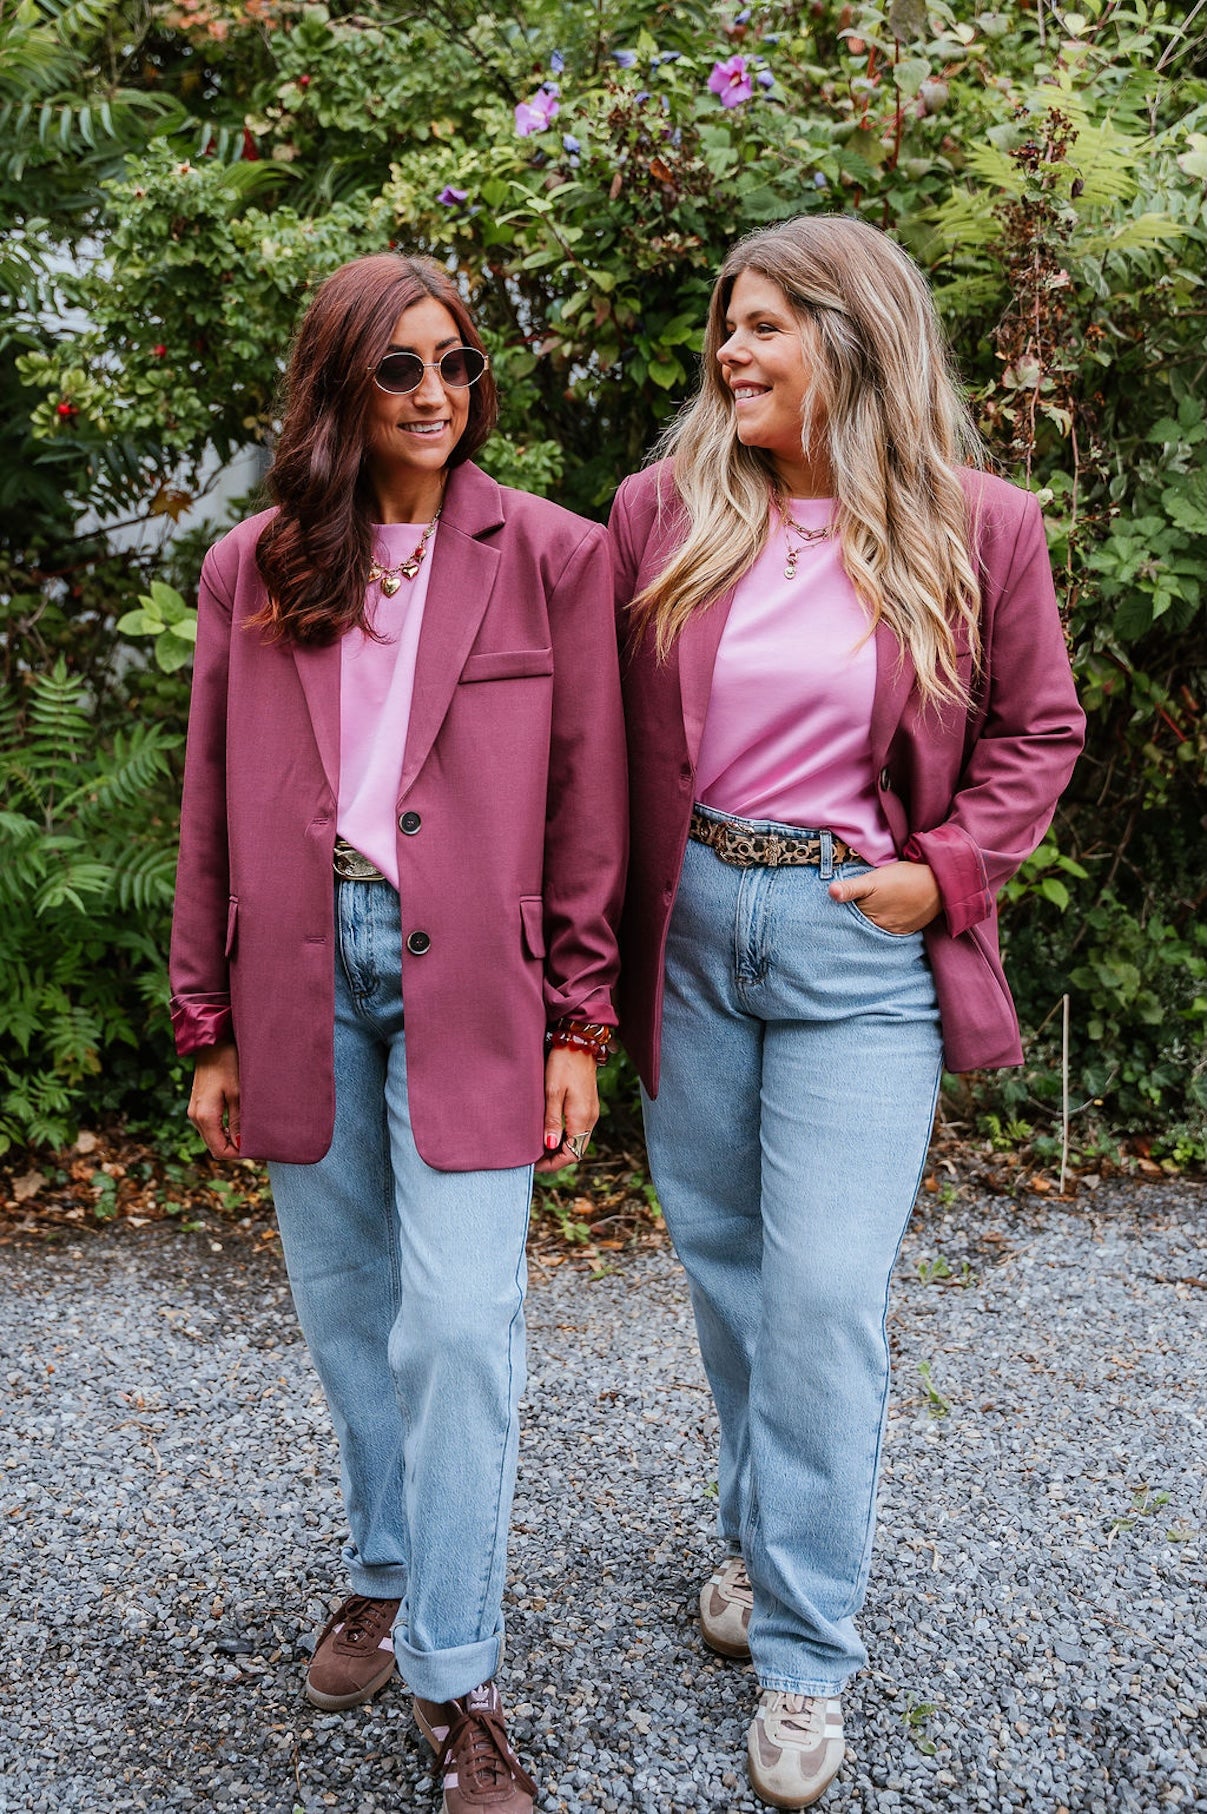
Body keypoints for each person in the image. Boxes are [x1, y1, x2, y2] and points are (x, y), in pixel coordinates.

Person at [609, 215, 1085, 1810]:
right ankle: (759, 1532)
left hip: (856, 945)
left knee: (822, 1295)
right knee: (729, 1271)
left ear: (853, 337)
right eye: (728, 325)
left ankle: (808, 1652)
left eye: (765, 326)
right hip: (695, 927)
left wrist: (943, 874)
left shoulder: (979, 524)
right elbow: (602, 735)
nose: (730, 352)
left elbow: (1040, 729)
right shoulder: (663, 512)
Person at [170, 252, 626, 1814]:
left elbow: (589, 802)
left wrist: (580, 1016)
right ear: (338, 387)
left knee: (460, 1324)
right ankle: (382, 1561)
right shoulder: (254, 567)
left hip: (480, 982)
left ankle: (459, 1674)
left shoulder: (552, 554)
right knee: (349, 1309)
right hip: (298, 971)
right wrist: (207, 1020)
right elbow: (210, 801)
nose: (438, 393)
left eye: (458, 362)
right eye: (401, 367)